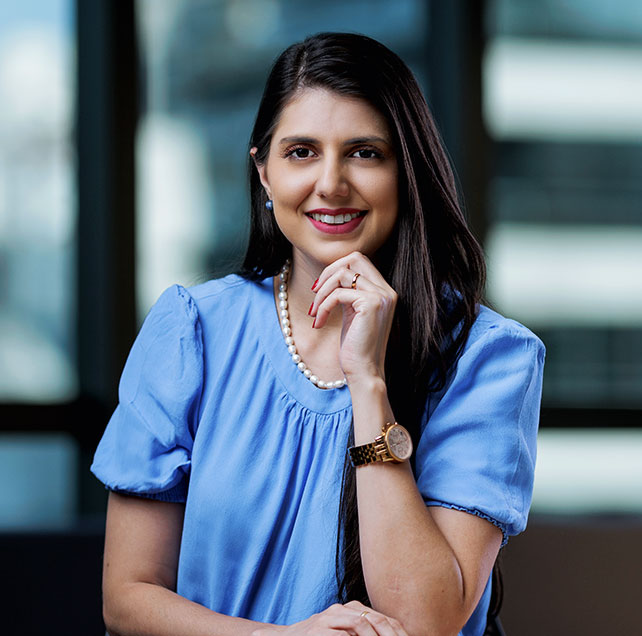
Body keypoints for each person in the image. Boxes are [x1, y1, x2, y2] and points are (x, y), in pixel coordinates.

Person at [91, 32, 544, 636]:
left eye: (364, 153)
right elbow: (127, 597)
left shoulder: (489, 357)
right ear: (264, 172)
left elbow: (426, 621)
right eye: (301, 152)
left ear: (405, 172)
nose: (331, 183)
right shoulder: (192, 331)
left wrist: (369, 380)